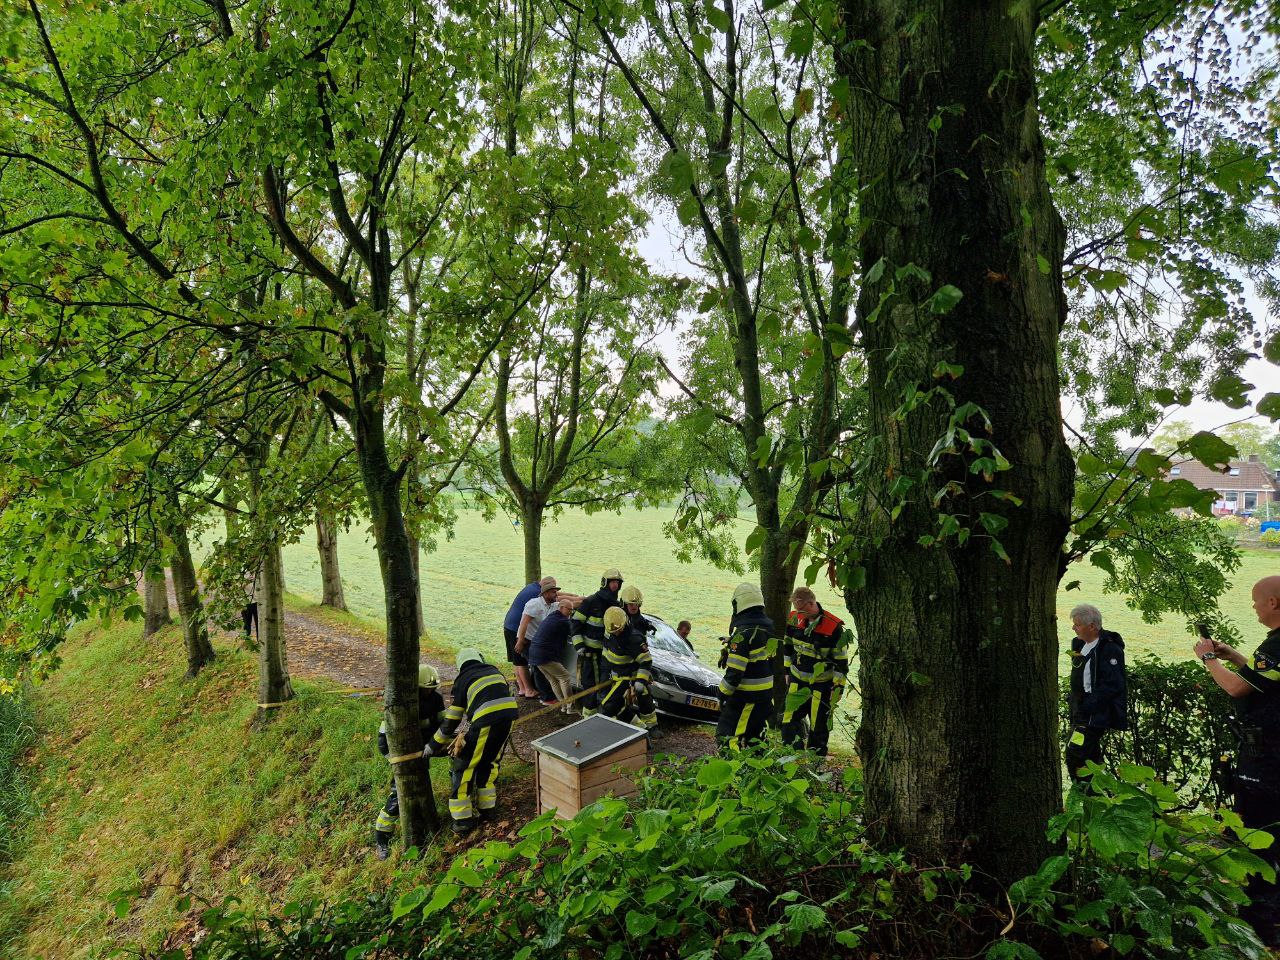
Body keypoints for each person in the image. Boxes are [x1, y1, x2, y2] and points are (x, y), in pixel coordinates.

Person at [1193, 577, 1280, 947]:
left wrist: (1209, 658)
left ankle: (1263, 926)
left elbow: (1236, 688)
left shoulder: (1276, 643)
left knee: (1261, 838)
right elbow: (1267, 677)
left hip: (1268, 763)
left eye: (1257, 602)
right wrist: (1236, 657)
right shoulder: (1273, 648)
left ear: (1274, 602)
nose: (1254, 608)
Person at [427, 648, 519, 835]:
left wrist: (433, 745)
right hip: (509, 717)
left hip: (486, 720)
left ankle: (462, 821)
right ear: (479, 659)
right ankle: (488, 809)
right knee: (490, 761)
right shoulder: (494, 670)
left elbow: (452, 719)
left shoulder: (462, 679)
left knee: (465, 766)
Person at [372, 664, 446, 859]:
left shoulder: (436, 700)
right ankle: (381, 839)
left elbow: (442, 725)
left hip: (423, 754)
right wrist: (395, 761)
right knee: (397, 799)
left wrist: (435, 746)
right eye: (426, 689)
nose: (430, 692)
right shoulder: (402, 704)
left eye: (433, 688)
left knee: (422, 792)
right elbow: (383, 740)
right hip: (402, 759)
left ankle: (426, 828)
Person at [780, 586, 851, 756]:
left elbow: (841, 661)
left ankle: (815, 764)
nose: (799, 614)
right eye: (797, 610)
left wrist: (838, 687)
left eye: (802, 610)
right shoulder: (793, 619)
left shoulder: (833, 627)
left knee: (818, 727)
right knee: (789, 721)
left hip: (822, 686)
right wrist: (787, 671)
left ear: (812, 603)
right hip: (797, 681)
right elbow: (788, 646)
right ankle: (792, 759)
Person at [1063, 604, 1127, 786]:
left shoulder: (1109, 649)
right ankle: (1099, 801)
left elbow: (1113, 684)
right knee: (1091, 759)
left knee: (1074, 753)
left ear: (1092, 626)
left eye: (1077, 624)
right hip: (1079, 712)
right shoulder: (1079, 644)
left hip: (1091, 717)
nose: (1073, 628)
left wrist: (1088, 706)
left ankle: (1083, 795)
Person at [715, 583, 776, 750]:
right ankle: (760, 773)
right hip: (764, 695)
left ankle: (732, 774)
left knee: (728, 737)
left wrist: (721, 692)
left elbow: (735, 673)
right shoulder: (767, 627)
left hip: (746, 697)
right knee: (756, 739)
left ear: (738, 604)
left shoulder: (743, 635)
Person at [571, 569, 623, 717]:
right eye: (612, 582)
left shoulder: (616, 606)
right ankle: (588, 718)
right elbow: (575, 623)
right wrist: (580, 646)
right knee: (590, 687)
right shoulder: (591, 601)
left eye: (617, 583)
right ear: (605, 583)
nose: (615, 585)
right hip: (589, 654)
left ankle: (602, 717)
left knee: (605, 687)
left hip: (607, 655)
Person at [599, 606, 658, 731]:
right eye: (613, 631)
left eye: (619, 630)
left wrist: (640, 681)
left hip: (629, 678)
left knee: (609, 706)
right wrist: (605, 672)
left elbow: (646, 660)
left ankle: (650, 729)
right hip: (615, 676)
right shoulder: (609, 631)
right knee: (616, 706)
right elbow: (606, 651)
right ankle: (640, 728)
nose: (617, 633)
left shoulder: (634, 639)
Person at [528, 597, 577, 714]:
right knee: (565, 677)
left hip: (534, 654)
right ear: (561, 608)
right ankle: (570, 706)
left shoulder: (552, 616)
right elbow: (574, 630)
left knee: (553, 680)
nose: (571, 612)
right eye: (569, 610)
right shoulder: (562, 621)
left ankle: (563, 706)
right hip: (545, 655)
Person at [514, 577, 560, 699]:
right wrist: (520, 641)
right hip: (527, 641)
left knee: (538, 666)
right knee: (539, 666)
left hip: (537, 642)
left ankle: (539, 690)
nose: (556, 594)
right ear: (545, 594)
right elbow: (523, 624)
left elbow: (569, 603)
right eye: (553, 592)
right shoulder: (534, 604)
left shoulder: (554, 605)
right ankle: (546, 697)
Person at [503, 579, 543, 698]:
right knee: (522, 661)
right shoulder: (537, 593)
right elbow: (558, 598)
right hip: (516, 628)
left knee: (516, 661)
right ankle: (529, 690)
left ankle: (522, 688)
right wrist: (521, 639)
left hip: (508, 625)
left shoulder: (531, 587)